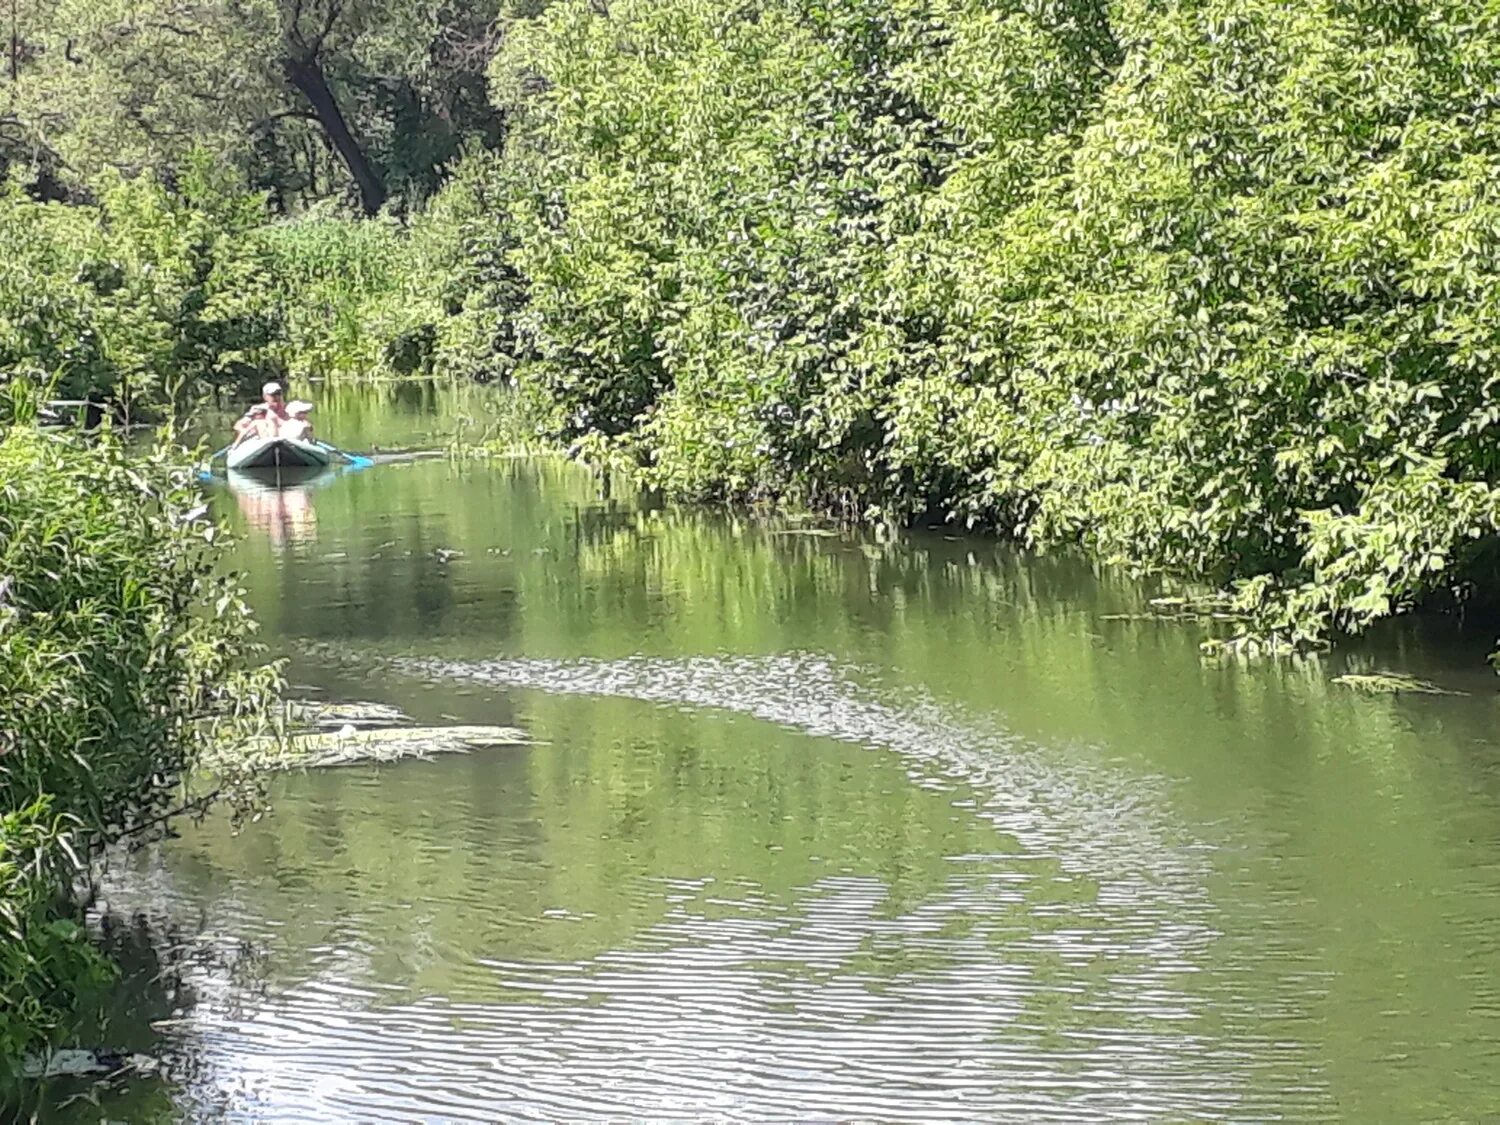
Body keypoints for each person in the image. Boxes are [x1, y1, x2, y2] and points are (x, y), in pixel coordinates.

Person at [231, 382, 291, 448]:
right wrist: (246, 431)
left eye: (278, 394)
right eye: (273, 395)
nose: (277, 397)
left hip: (287, 440)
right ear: (265, 397)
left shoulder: (290, 409)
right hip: (266, 439)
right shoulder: (259, 409)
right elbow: (238, 425)